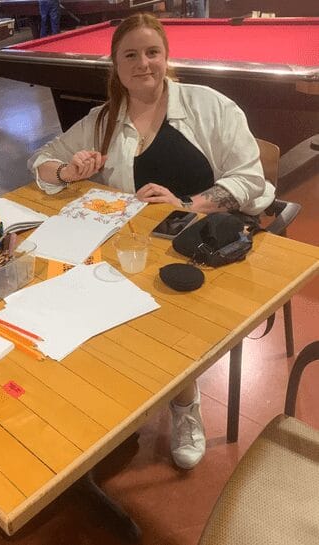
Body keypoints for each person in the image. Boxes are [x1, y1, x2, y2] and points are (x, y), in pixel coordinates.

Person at [28, 13, 275, 469]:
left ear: (166, 57)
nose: (143, 63)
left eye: (152, 52)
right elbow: (41, 159)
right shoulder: (102, 119)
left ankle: (185, 403)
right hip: (136, 246)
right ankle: (125, 388)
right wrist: (66, 170)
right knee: (76, 296)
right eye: (131, 55)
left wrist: (185, 202)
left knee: (171, 313)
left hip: (204, 246)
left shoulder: (210, 106)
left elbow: (249, 179)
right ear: (116, 66)